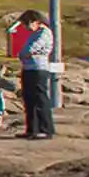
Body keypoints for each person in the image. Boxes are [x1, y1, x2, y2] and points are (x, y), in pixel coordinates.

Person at [17, 9, 58, 139]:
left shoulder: (44, 33)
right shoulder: (35, 33)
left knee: (40, 99)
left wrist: (25, 54)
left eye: (26, 23)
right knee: (29, 100)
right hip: (29, 68)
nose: (25, 27)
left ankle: (46, 129)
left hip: (38, 69)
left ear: (35, 21)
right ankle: (32, 129)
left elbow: (32, 49)